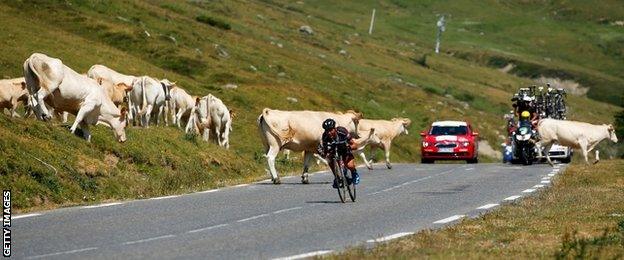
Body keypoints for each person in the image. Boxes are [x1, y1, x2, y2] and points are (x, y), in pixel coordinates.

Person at [317, 118, 360, 188]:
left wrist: (349, 147)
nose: (329, 133)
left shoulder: (342, 131)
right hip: (334, 150)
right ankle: (337, 178)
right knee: (329, 160)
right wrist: (323, 153)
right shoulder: (325, 136)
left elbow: (355, 145)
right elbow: (325, 151)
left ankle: (354, 173)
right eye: (327, 131)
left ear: (335, 128)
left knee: (350, 166)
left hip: (345, 149)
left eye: (331, 130)